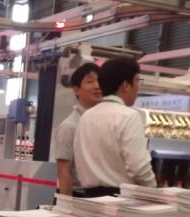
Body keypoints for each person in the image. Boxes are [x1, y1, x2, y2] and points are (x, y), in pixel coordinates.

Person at [74, 57, 156, 196]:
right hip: (120, 198)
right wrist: (153, 189)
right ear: (125, 85)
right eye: (137, 80)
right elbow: (138, 166)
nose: (138, 87)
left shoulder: (86, 117)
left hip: (88, 197)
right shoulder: (129, 116)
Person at [54, 63, 102, 196]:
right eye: (90, 82)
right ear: (76, 90)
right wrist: (67, 205)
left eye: (99, 81)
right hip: (78, 195)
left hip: (101, 196)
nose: (97, 86)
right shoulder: (69, 126)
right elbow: (64, 172)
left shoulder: (105, 123)